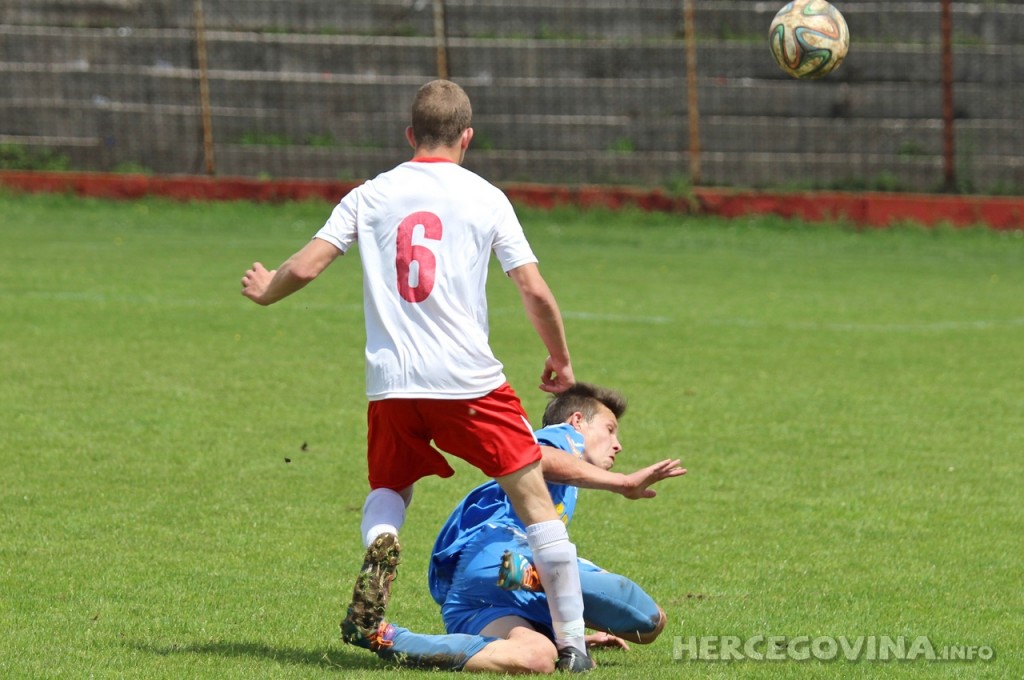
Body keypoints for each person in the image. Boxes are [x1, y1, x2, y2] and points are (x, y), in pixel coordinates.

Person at [240, 79, 595, 670]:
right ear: (467, 137)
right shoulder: (486, 197)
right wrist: (560, 359)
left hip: (393, 384)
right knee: (534, 500)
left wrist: (265, 290)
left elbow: (306, 266)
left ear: (410, 135)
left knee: (390, 487)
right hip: (469, 382)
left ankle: (383, 540)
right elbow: (533, 289)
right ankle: (574, 645)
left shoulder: (370, 194)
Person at [351, 382, 686, 673]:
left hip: (472, 594)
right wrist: (622, 482)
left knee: (535, 658)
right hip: (501, 549)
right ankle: (542, 582)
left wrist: (568, 636)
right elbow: (536, 455)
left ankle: (382, 636)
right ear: (577, 421)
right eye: (610, 429)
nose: (618, 444)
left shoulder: (567, 477)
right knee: (651, 622)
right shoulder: (565, 436)